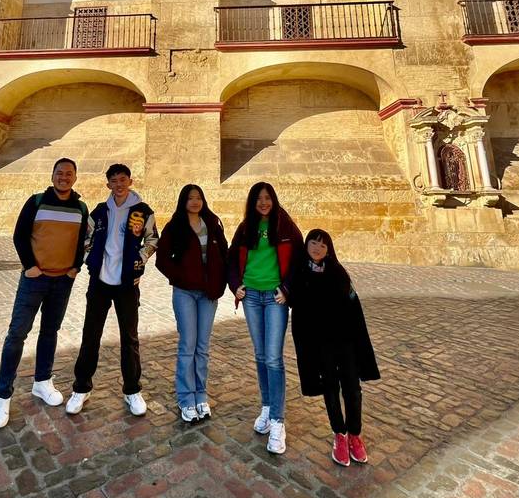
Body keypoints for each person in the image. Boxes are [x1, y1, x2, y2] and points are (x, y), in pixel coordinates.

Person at [0, 158, 88, 429]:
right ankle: (3, 395)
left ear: (75, 178)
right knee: (17, 334)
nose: (64, 178)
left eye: (69, 174)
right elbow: (20, 235)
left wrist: (76, 267)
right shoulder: (36, 202)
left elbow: (82, 241)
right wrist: (30, 266)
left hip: (62, 281)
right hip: (35, 279)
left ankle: (42, 382)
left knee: (50, 332)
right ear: (52, 175)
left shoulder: (81, 207)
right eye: (60, 173)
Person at [67, 163, 158, 416]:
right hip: (100, 282)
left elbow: (152, 239)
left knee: (130, 338)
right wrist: (91, 259)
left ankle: (132, 390)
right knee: (90, 335)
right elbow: (85, 238)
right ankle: (81, 388)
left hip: (128, 283)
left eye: (122, 179)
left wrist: (138, 260)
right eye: (114, 181)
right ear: (108, 184)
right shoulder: (99, 211)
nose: (118, 184)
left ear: (130, 181)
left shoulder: (143, 211)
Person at [286, 228, 380, 467]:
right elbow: (296, 304)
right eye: (313, 243)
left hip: (345, 341)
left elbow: (353, 306)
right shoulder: (300, 274)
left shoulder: (338, 273)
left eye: (322, 245)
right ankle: (339, 434)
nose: (317, 248)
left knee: (352, 388)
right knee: (330, 387)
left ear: (329, 249)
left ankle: (355, 435)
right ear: (306, 246)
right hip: (321, 345)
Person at [227, 182, 303, 455]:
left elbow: (298, 259)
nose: (263, 202)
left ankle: (278, 422)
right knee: (260, 356)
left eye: (267, 198)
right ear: (252, 201)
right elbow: (232, 259)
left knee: (273, 358)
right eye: (258, 198)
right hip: (251, 297)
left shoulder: (284, 225)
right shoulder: (245, 227)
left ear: (273, 199)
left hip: (274, 298)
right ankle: (268, 407)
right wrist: (236, 285)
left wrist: (287, 289)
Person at [156, 184, 228, 423]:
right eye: (190, 198)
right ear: (183, 201)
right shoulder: (175, 226)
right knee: (188, 345)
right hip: (185, 293)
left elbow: (224, 254)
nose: (195, 202)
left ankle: (200, 394)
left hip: (208, 294)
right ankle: (186, 397)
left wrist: (219, 283)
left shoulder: (213, 223)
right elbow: (162, 259)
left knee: (203, 347)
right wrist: (179, 277)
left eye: (198, 198)